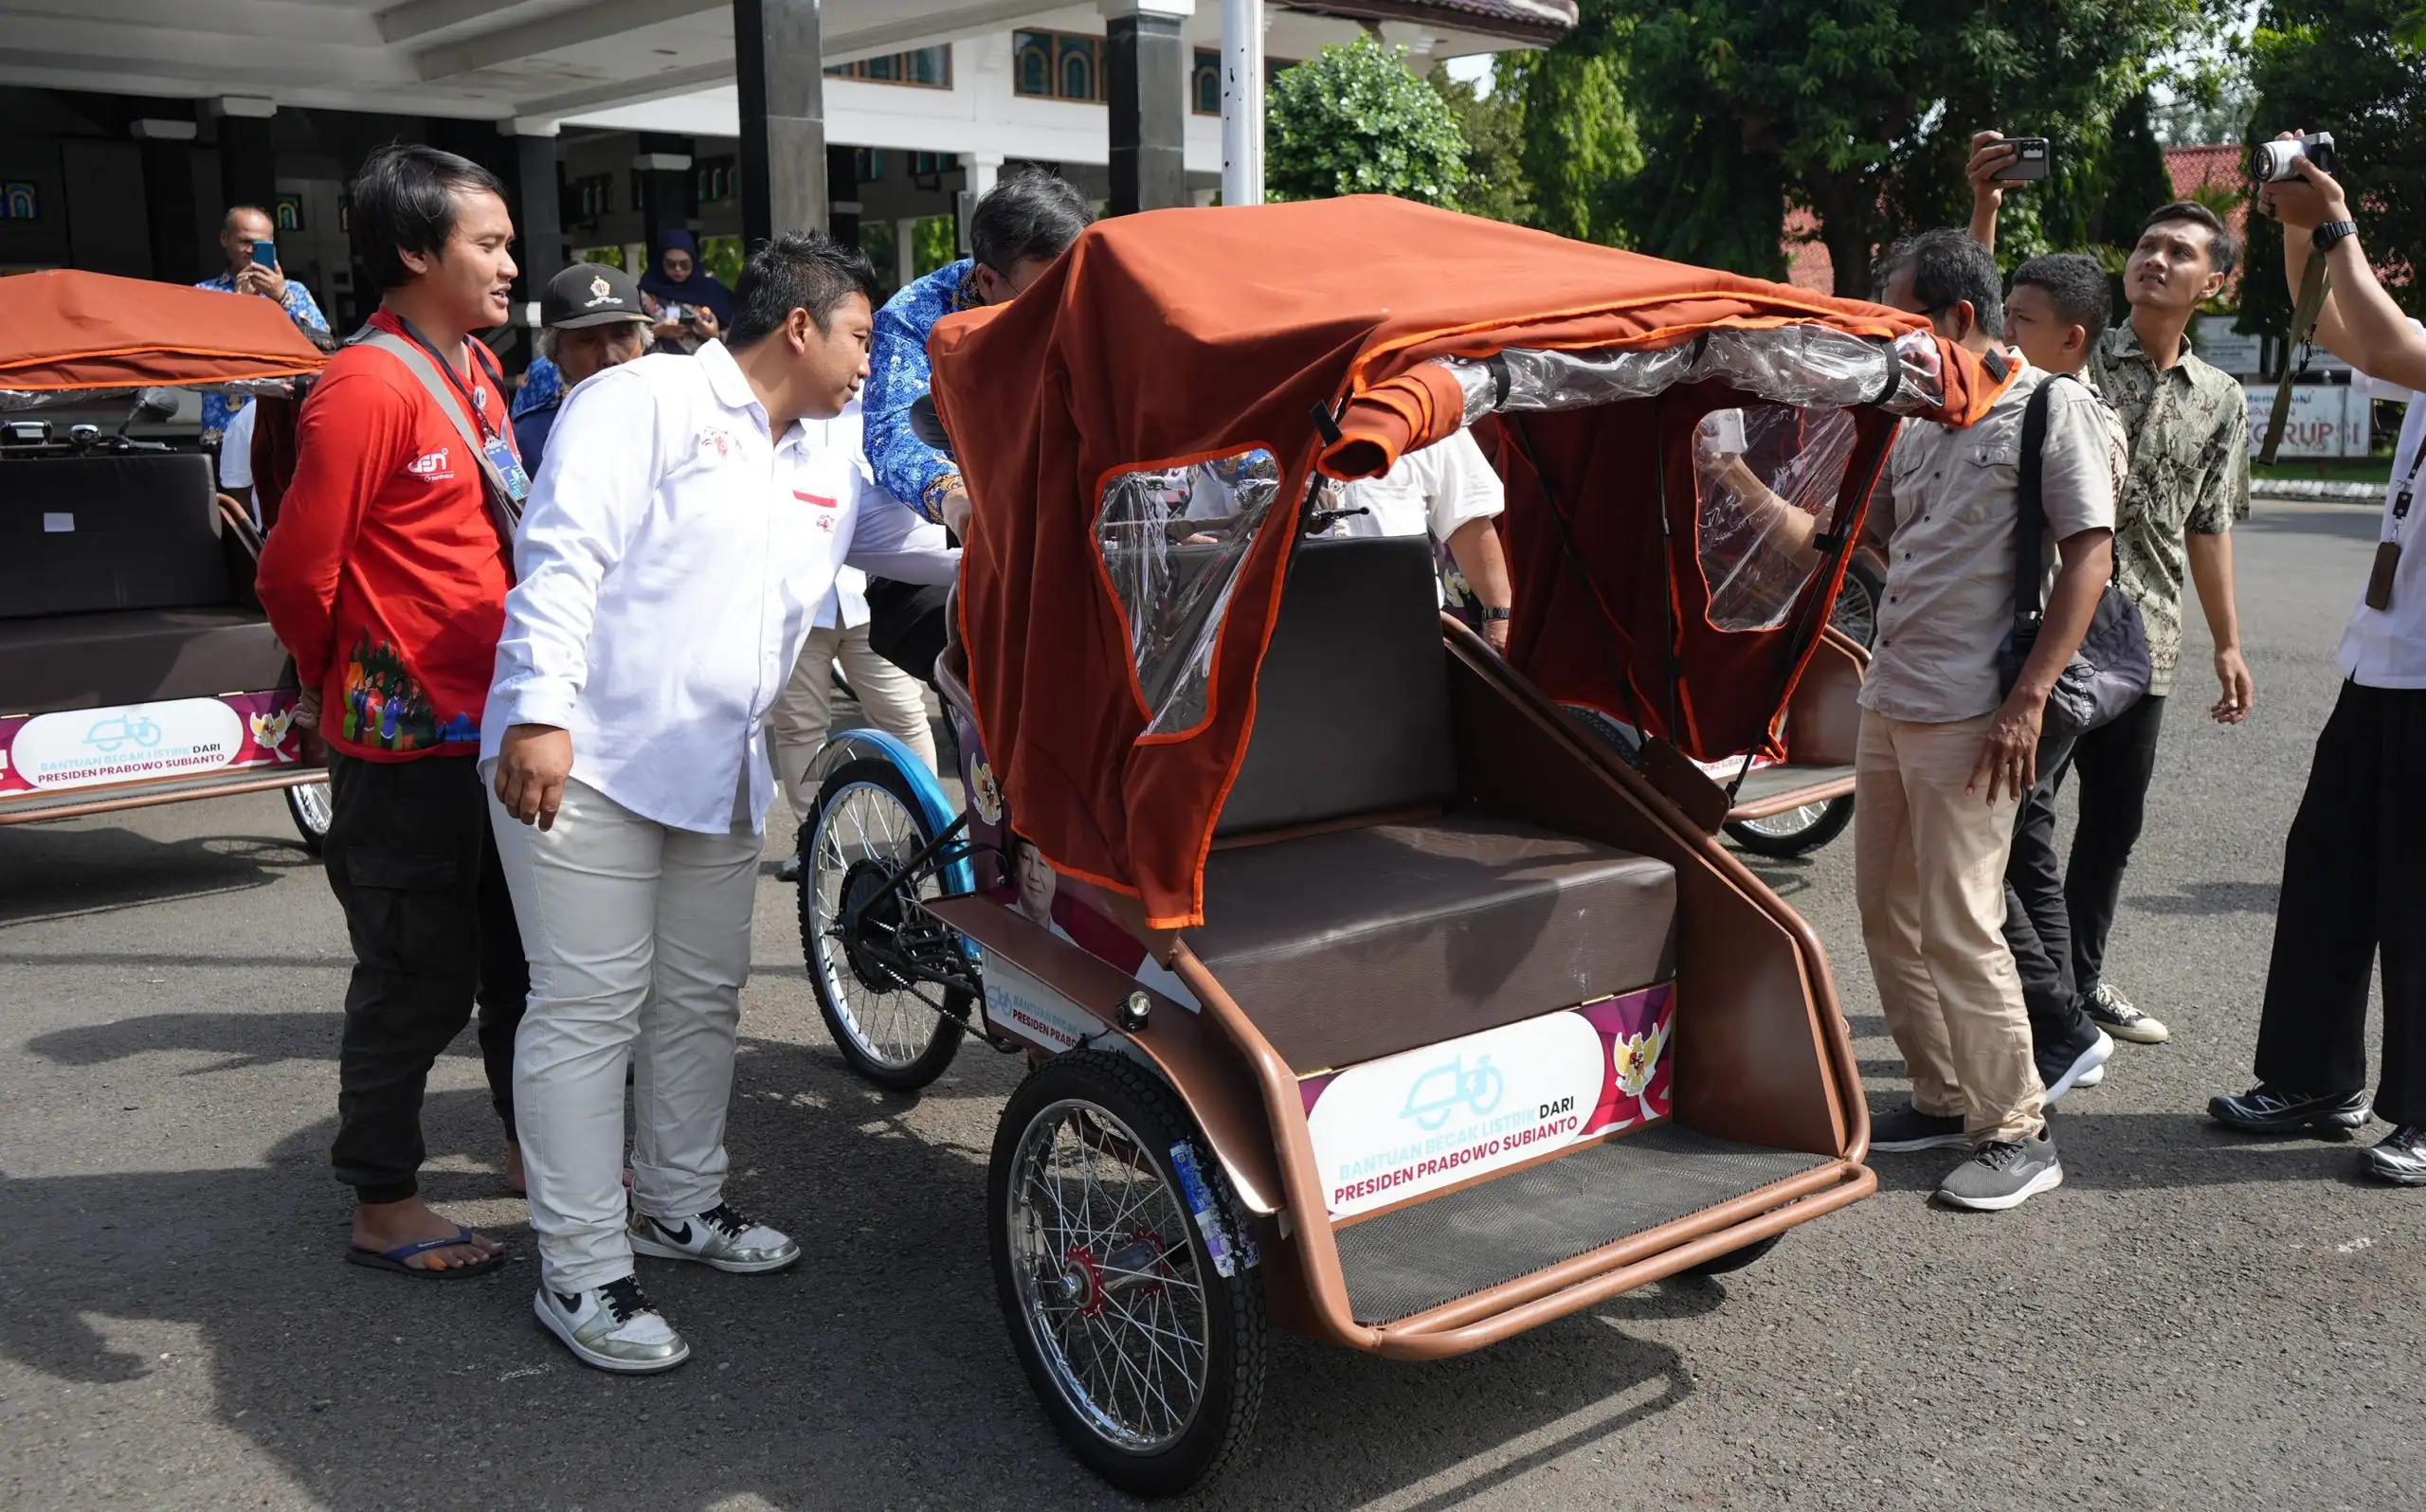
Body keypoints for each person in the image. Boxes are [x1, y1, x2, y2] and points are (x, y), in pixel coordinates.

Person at [483, 231, 960, 1374]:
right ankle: (583, 1269)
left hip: (713, 768)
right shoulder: (640, 399)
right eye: (857, 335)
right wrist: (540, 711)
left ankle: (678, 1207)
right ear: (799, 325)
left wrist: (1028, 535)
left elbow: (906, 546)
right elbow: (561, 555)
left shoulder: (831, 448)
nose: (870, 361)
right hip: (587, 756)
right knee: (589, 1011)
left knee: (699, 998)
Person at [253, 144, 530, 1277]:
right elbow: (293, 573)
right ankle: (384, 1198)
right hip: (408, 738)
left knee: (522, 958)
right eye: (491, 245)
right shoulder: (365, 384)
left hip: (499, 726)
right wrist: (336, 680)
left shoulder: (471, 367)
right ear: (416, 251)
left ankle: (532, 1146)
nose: (513, 265)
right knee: (416, 971)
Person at [1970, 134, 2255, 1049]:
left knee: (2113, 828)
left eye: (2181, 252)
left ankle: (2082, 982)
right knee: (2024, 818)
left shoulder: (2221, 396)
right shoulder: (2075, 348)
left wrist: (2229, 644)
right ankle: (2035, 991)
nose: (2157, 258)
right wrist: (1989, 211)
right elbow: (1986, 335)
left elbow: (2207, 525)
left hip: (2154, 640)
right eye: (2148, 244)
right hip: (2062, 631)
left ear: (2213, 283)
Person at [1854, 229, 2117, 1212]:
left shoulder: (2049, 409)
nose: (1893, 341)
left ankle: (2014, 1131)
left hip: (1974, 710)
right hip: (1892, 697)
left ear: (1958, 321)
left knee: (1961, 922)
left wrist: (2026, 702)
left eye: (1903, 320)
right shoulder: (1919, 421)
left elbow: (2087, 558)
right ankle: (1939, 1093)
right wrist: (1748, 486)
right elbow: (1871, 537)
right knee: (1885, 912)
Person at [2208, 141, 2426, 1183]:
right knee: (2328, 872)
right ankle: (2312, 1076)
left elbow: (2381, 341)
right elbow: (2338, 326)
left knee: (2419, 899)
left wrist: (2336, 221)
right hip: (2383, 660)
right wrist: (2296, 220)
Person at [1995, 253, 2134, 1104]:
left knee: (1989, 855)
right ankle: (2063, 1022)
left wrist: (2029, 694)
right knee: (2023, 843)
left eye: (2020, 318)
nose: (2004, 330)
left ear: (2070, 337)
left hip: (2038, 663)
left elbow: (2089, 557)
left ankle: (2059, 1025)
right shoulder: (2039, 402)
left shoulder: (2066, 410)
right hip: (2034, 662)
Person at [767, 394, 941, 882]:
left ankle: (926, 834)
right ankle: (812, 843)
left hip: (870, 599)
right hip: (800, 601)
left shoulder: (887, 407)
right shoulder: (780, 408)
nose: (861, 361)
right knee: (800, 725)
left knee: (904, 717)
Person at [865, 169, 1095, 538]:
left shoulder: (1097, 301)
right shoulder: (911, 317)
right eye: (1043, 299)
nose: (1062, 312)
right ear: (987, 280)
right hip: (949, 534)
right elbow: (893, 431)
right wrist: (955, 501)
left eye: (1073, 290)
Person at [1329, 429, 1516, 651]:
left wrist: (1499, 619)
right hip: (1295, 633)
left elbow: (1468, 519)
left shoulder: (1426, 407)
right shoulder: (1284, 411)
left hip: (1407, 636)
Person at [196, 205, 333, 451]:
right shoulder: (205, 294)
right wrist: (239, 305)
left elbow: (324, 345)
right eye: (245, 241)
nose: (252, 251)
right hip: (223, 426)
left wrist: (282, 297)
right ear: (225, 238)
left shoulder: (294, 291)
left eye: (262, 245)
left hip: (282, 426)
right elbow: (201, 353)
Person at [512, 261, 653, 477]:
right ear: (554, 354)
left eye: (622, 335)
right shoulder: (531, 436)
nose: (610, 357)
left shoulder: (685, 417)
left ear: (643, 342)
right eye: (587, 340)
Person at [636, 229, 734, 352]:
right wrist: (658, 331)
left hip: (705, 366)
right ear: (661, 262)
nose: (678, 269)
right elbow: (629, 338)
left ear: (693, 261)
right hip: (660, 367)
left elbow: (741, 339)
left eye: (685, 264)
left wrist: (714, 335)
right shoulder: (645, 293)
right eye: (671, 264)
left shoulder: (714, 292)